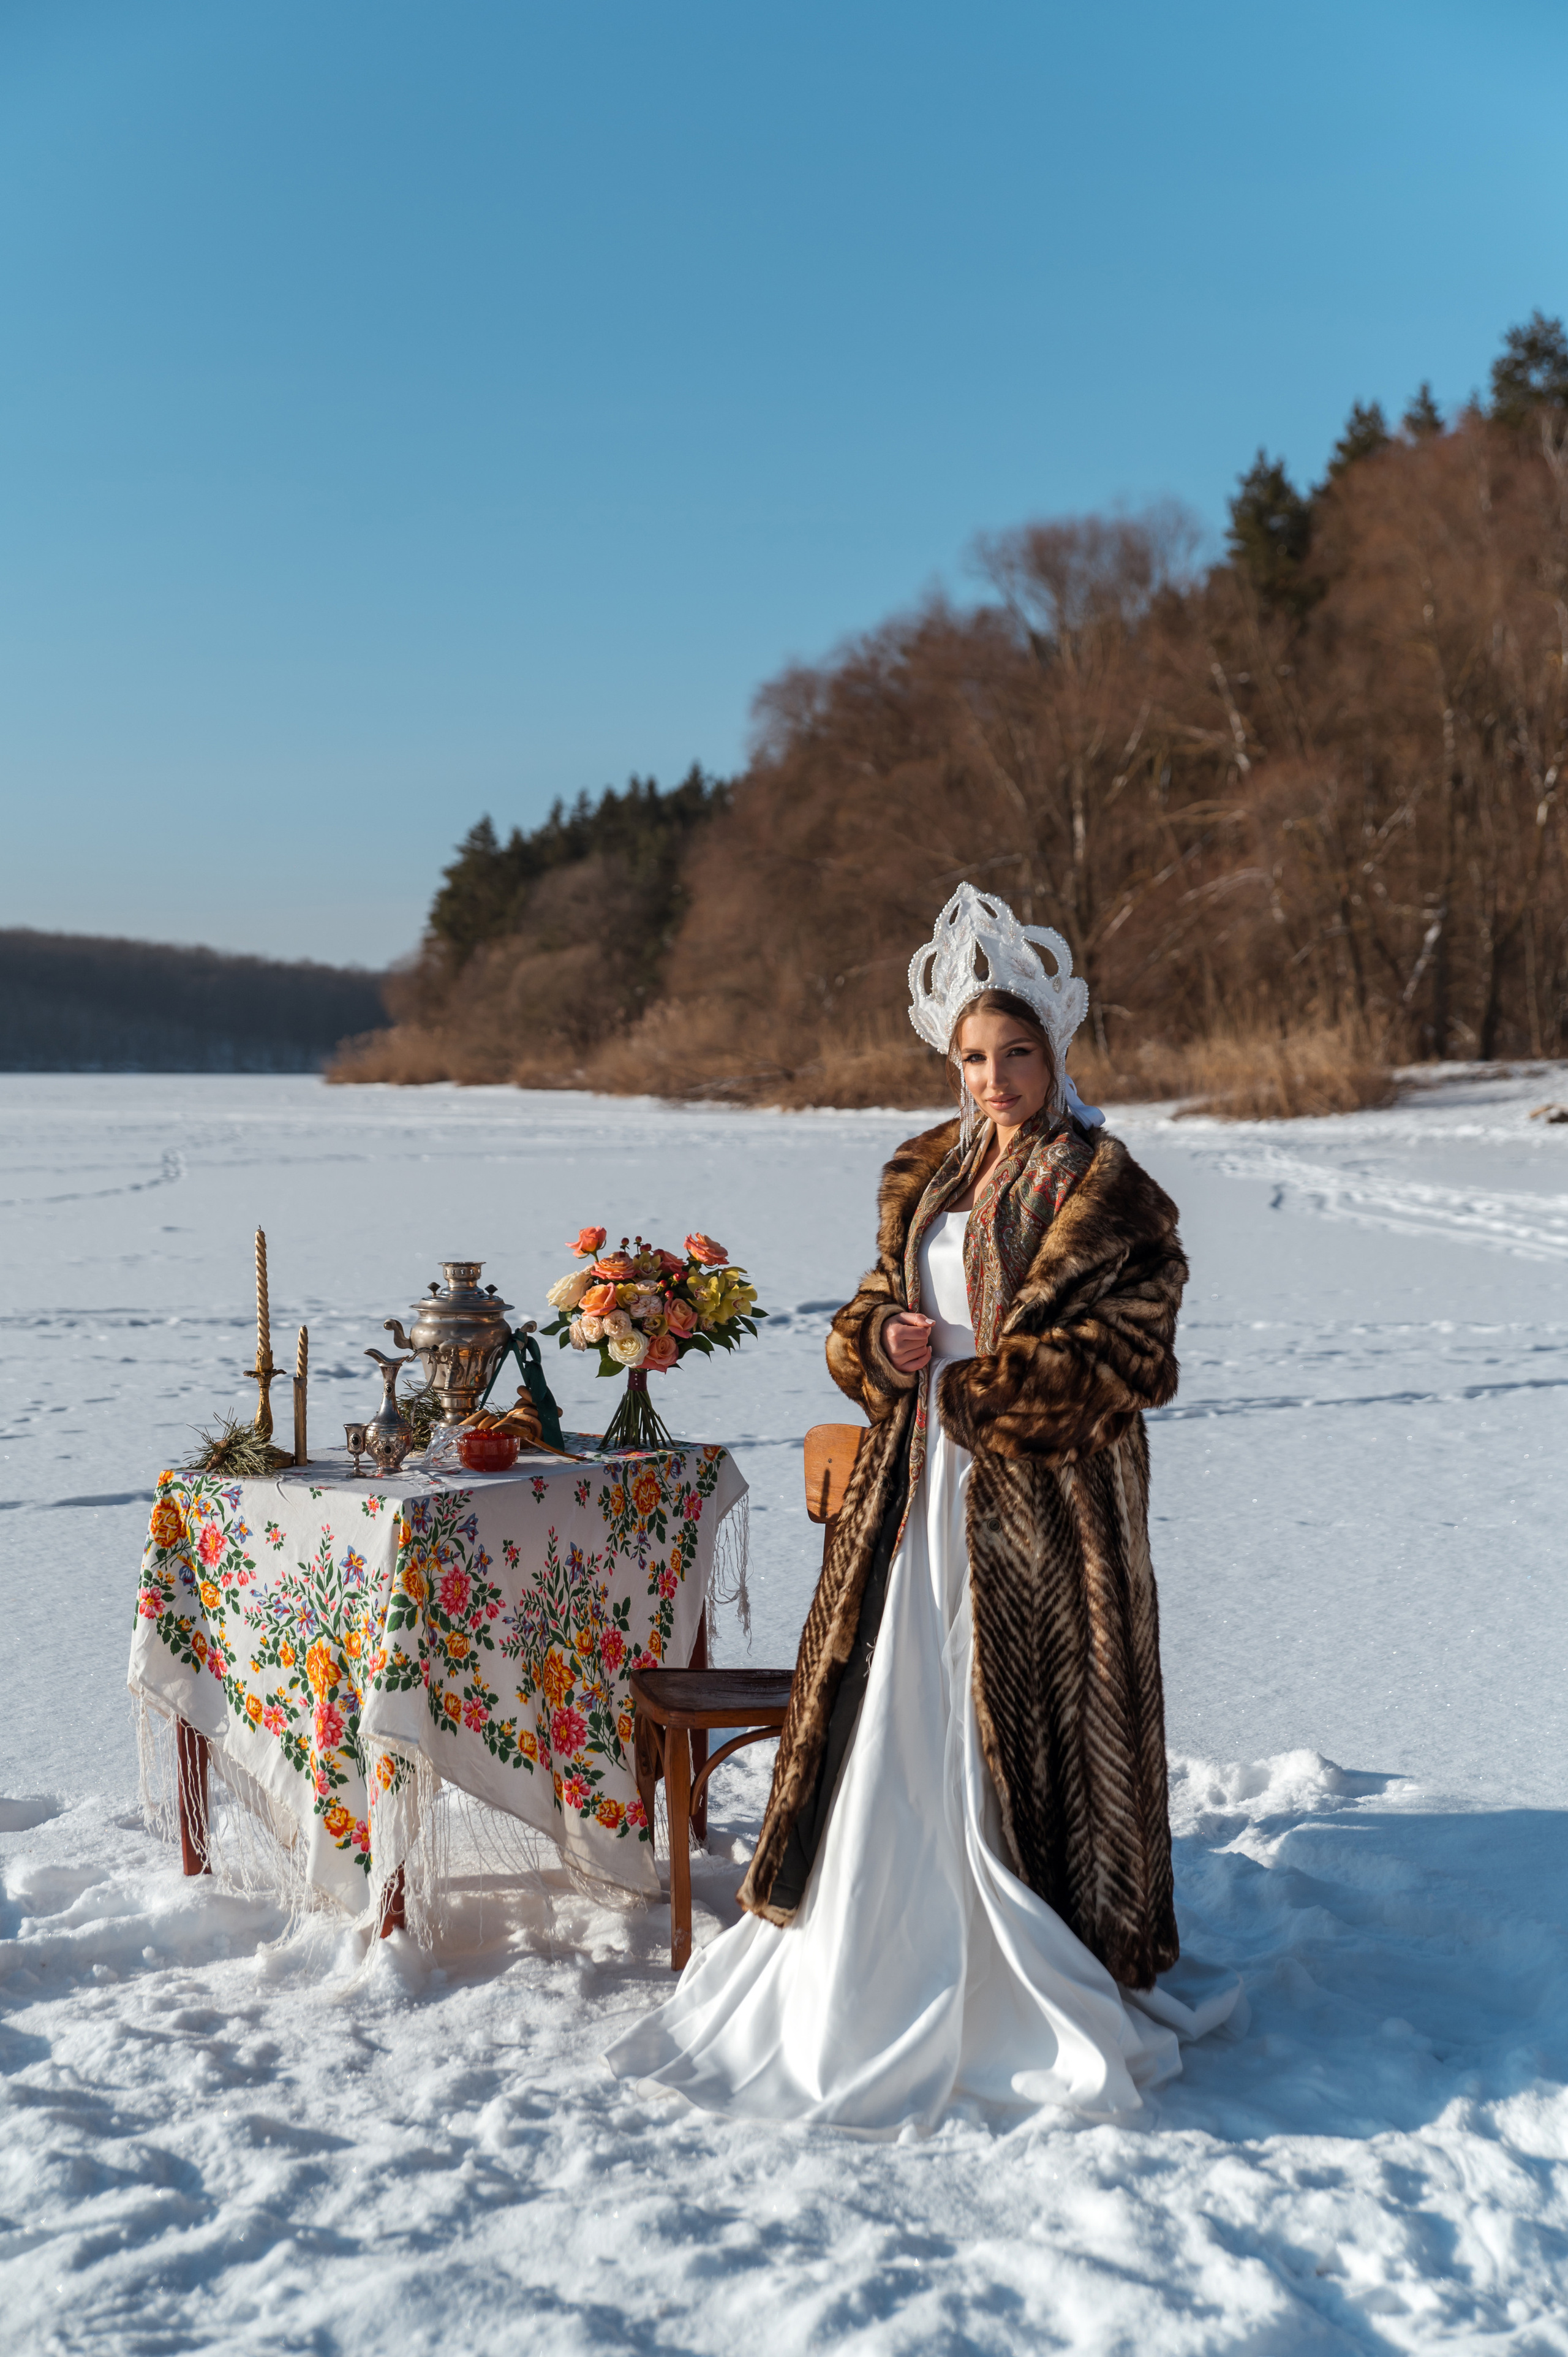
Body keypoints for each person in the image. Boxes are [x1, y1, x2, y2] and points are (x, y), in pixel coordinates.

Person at [607, 884, 1240, 2127]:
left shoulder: (1106, 1186)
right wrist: (878, 1342)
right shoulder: (924, 1170)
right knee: (900, 1700)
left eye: (1014, 1055)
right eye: (972, 1057)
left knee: (1026, 1713)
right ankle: (876, 1939)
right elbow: (862, 1306)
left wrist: (1001, 1389)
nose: (993, 1077)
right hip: (912, 1486)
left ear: (1054, 1054)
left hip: (1044, 1501)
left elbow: (1136, 1351)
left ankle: (1042, 1944)